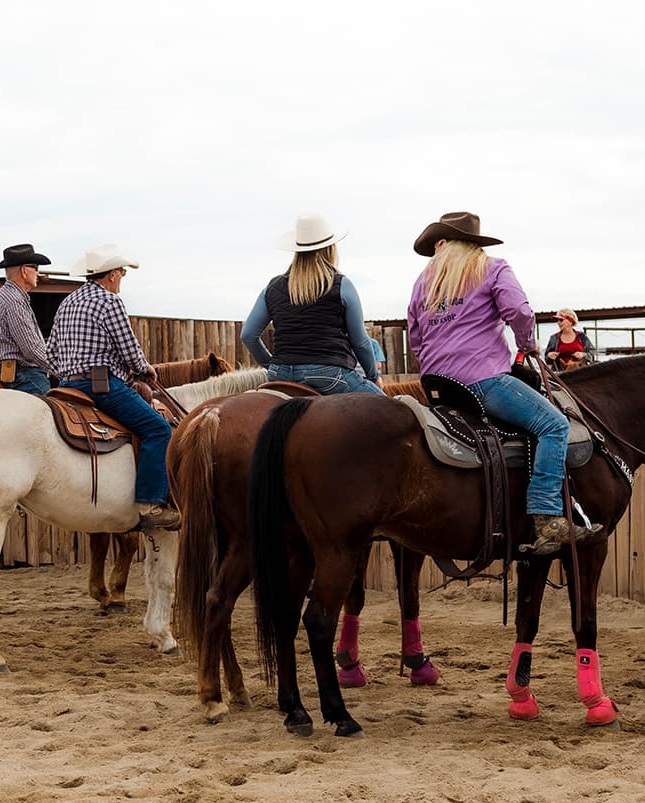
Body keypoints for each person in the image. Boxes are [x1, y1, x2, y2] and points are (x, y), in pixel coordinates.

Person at [405, 212, 597, 555]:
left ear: (445, 243)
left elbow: (416, 338)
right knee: (553, 424)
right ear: (475, 244)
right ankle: (547, 517)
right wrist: (527, 344)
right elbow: (520, 313)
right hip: (483, 381)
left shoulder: (425, 282)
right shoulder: (491, 267)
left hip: (438, 387)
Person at [48, 244, 179, 531]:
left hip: (68, 386)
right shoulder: (110, 302)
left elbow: (51, 353)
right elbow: (128, 347)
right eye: (121, 272)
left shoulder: (67, 303)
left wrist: (69, 373)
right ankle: (150, 504)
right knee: (158, 429)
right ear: (109, 275)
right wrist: (146, 368)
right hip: (101, 386)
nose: (121, 277)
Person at [241, 213, 384, 396]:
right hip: (329, 374)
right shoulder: (342, 285)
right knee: (396, 413)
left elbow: (248, 335)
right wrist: (373, 376)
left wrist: (272, 365)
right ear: (330, 248)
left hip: (280, 374)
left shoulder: (272, 288)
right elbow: (361, 342)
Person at [0, 243, 57, 395]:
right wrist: (60, 368)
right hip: (22, 375)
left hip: (13, 372)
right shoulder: (14, 301)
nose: (38, 272)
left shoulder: (8, 296)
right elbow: (31, 349)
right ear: (24, 270)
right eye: (36, 267)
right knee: (53, 410)